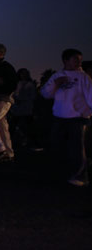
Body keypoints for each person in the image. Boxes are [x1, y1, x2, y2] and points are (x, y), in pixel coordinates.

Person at [40, 49, 92, 187]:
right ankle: (60, 174)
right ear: (65, 60)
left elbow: (90, 95)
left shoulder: (83, 77)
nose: (78, 62)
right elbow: (45, 94)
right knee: (57, 146)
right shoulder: (58, 76)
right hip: (59, 116)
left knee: (77, 148)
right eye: (75, 59)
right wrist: (56, 84)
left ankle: (80, 176)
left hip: (77, 117)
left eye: (79, 59)